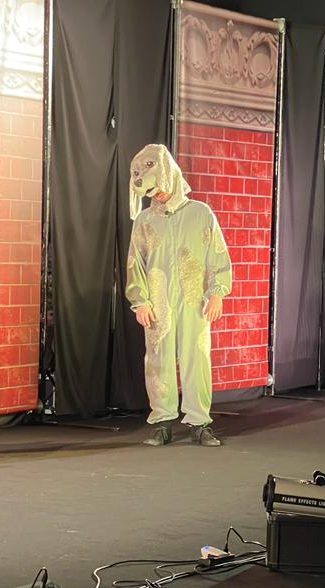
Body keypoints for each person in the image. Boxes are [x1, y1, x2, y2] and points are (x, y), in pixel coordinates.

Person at [126, 144, 232, 447]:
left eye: (160, 187)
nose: (158, 194)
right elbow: (136, 262)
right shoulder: (145, 221)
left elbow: (217, 255)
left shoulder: (201, 213)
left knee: (196, 358)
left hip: (194, 300)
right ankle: (162, 422)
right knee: (158, 360)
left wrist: (217, 293)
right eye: (152, 191)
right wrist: (140, 301)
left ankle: (199, 422)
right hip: (158, 301)